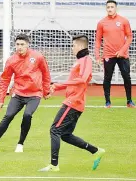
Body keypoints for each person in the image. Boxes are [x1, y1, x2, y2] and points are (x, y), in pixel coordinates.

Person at [39, 35, 105, 172]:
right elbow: (74, 82)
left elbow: (83, 79)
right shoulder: (80, 61)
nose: (72, 48)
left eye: (73, 46)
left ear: (80, 47)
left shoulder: (86, 60)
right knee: (65, 134)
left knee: (55, 130)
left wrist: (59, 84)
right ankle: (96, 151)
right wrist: (57, 87)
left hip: (74, 102)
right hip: (74, 102)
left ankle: (54, 165)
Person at [0, 33, 51, 153]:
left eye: (22, 44)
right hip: (18, 93)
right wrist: (1, 99)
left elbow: (46, 74)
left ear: (27, 45)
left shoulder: (38, 57)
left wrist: (46, 91)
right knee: (8, 116)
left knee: (27, 115)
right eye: (17, 44)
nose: (19, 47)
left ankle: (20, 144)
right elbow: (5, 79)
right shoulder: (11, 60)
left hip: (34, 94)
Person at [95, 0, 135, 108]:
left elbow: (130, 37)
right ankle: (107, 101)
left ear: (116, 8)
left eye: (112, 7)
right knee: (107, 78)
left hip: (123, 55)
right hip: (108, 55)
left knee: (126, 77)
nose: (110, 9)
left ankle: (129, 101)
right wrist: (97, 55)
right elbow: (98, 40)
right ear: (106, 9)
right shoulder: (101, 23)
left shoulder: (124, 21)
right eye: (108, 7)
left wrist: (122, 51)